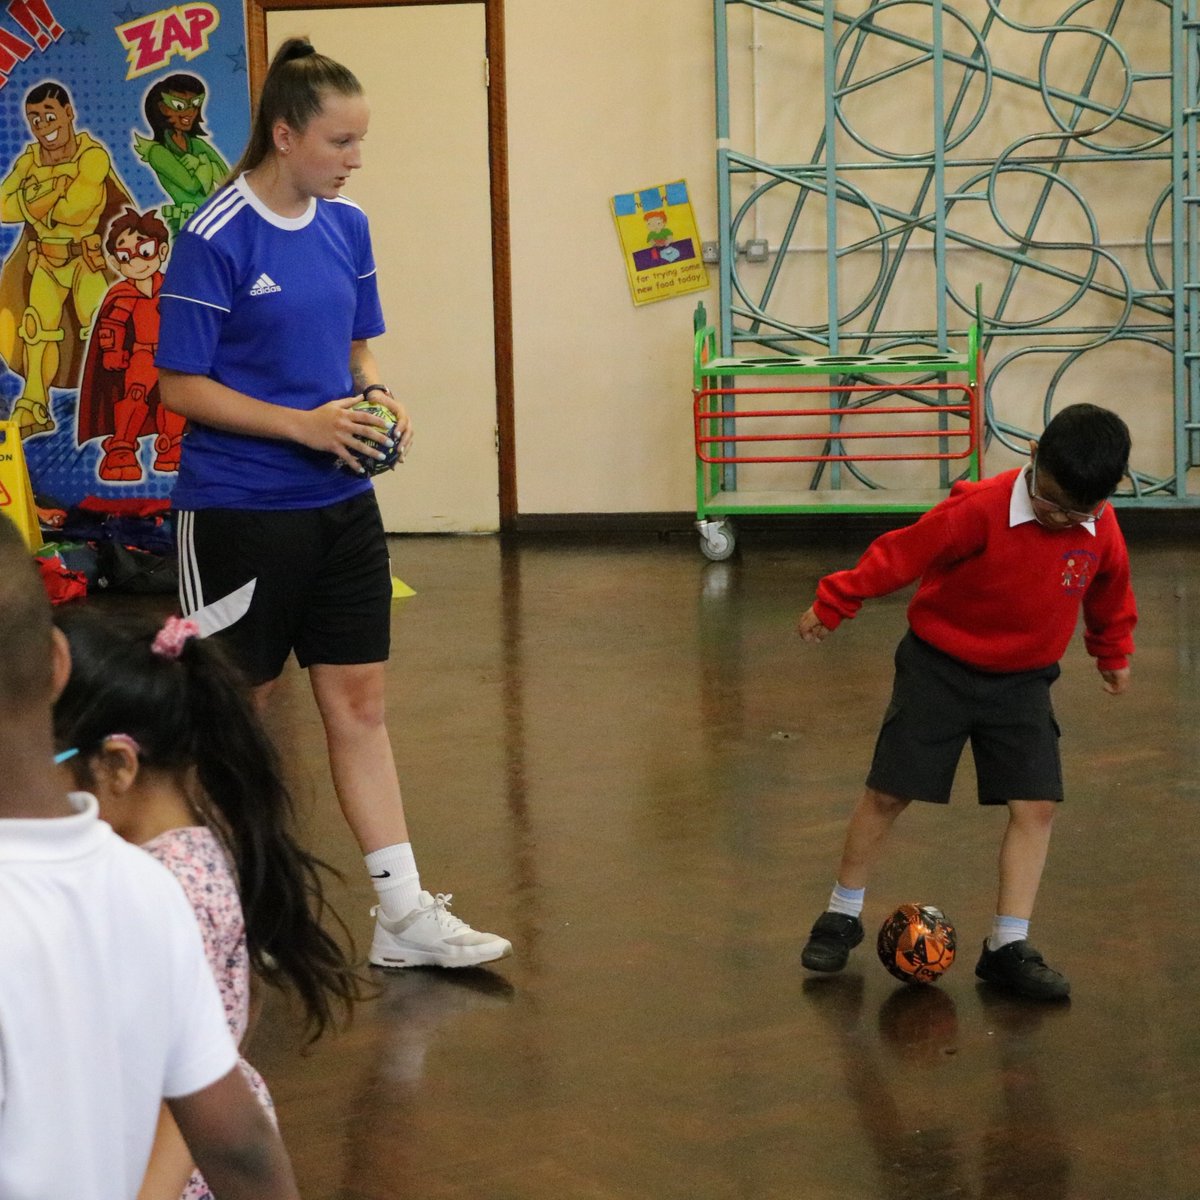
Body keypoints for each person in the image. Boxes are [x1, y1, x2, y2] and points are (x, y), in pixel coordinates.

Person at [155, 37, 511, 969]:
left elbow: (359, 353)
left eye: (360, 142)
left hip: (342, 506)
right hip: (237, 509)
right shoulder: (213, 235)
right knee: (236, 714)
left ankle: (401, 914)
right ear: (285, 134)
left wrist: (377, 399)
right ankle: (203, 913)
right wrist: (303, 428)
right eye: (341, 142)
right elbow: (180, 388)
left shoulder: (346, 229)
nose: (356, 159)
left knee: (360, 704)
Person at [0, 513, 300, 1200]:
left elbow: (198, 1104)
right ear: (53, 662)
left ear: (117, 766)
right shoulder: (145, 881)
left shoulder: (167, 877)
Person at [796, 403, 1136, 1000]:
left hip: (1024, 682)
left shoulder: (1097, 526)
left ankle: (1008, 945)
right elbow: (903, 553)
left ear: (1108, 495)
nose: (1060, 519)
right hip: (939, 670)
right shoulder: (980, 509)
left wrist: (1111, 651)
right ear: (1032, 454)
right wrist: (837, 599)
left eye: (1078, 510)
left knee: (1037, 806)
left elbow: (1109, 590)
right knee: (888, 791)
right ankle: (841, 914)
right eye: (1050, 501)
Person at [53, 607, 364, 1199]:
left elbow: (184, 1107)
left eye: (47, 767)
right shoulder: (186, 843)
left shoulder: (165, 886)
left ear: (118, 764)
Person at [0, 81, 132, 438]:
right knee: (36, 329)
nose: (43, 125)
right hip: (44, 261)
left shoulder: (92, 155)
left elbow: (76, 210)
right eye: (34, 119)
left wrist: (32, 196)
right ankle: (33, 405)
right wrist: (54, 191)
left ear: (68, 113)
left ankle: (117, 404)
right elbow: (3, 206)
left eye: (49, 115)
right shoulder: (29, 158)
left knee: (102, 329)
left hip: (84, 261)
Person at [134, 72, 229, 238]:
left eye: (195, 104)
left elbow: (226, 177)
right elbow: (190, 185)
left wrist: (199, 164)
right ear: (163, 108)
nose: (190, 112)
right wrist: (206, 165)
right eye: (179, 106)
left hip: (215, 223)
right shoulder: (158, 152)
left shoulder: (198, 144)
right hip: (187, 225)